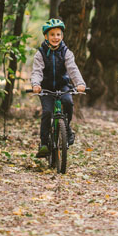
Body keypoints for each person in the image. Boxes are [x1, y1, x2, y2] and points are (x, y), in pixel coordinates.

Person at [30, 18, 87, 158]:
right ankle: (43, 144)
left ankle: (66, 128)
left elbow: (73, 69)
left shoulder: (66, 52)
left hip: (62, 85)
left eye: (58, 34)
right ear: (46, 36)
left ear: (62, 36)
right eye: (52, 34)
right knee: (47, 112)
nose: (55, 37)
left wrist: (80, 83)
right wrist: (36, 84)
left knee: (68, 102)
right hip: (46, 88)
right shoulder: (41, 53)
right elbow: (37, 71)